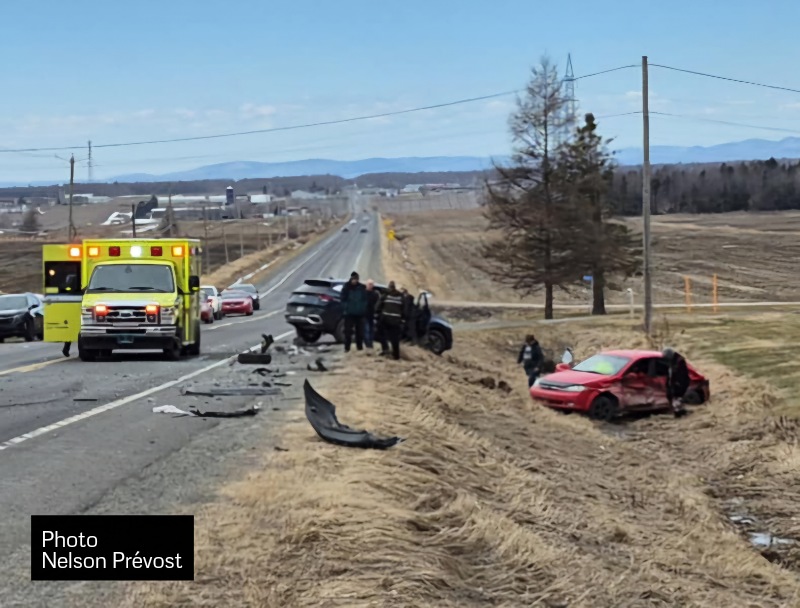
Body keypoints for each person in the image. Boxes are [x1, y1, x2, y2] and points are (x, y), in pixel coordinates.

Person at [376, 281, 405, 360]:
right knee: (395, 338)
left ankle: (385, 350)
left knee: (381, 334)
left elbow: (378, 306)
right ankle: (396, 356)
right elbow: (404, 309)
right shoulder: (400, 296)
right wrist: (402, 319)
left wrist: (377, 314)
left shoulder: (385, 295)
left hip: (386, 319)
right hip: (396, 321)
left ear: (389, 287)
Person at [339, 271, 367, 353]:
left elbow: (365, 300)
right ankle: (347, 348)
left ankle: (360, 348)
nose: (354, 281)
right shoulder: (346, 287)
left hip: (360, 314)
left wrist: (363, 308)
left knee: (360, 333)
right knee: (348, 332)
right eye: (353, 279)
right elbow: (342, 299)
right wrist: (346, 308)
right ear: (351, 279)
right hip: (349, 314)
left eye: (356, 279)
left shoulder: (362, 287)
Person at [663, 347, 690, 418]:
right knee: (676, 401)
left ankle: (679, 414)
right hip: (673, 384)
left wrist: (677, 384)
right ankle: (680, 412)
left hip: (679, 385)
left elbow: (682, 375)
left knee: (677, 400)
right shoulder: (673, 361)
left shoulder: (679, 362)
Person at [363, 279, 380, 352]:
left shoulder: (375, 294)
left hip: (372, 315)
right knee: (366, 330)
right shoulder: (362, 293)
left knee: (371, 330)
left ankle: (370, 344)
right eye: (369, 284)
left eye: (371, 284)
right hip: (364, 314)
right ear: (366, 285)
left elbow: (377, 304)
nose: (370, 285)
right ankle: (368, 344)